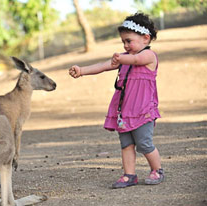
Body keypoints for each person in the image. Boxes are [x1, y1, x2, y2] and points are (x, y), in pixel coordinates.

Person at [69, 12, 164, 189]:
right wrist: (82, 70)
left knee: (144, 143)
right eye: (123, 42)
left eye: (129, 41)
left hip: (143, 110)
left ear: (145, 38)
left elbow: (136, 59)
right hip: (125, 110)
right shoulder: (124, 58)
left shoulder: (149, 56)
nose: (125, 45)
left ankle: (157, 170)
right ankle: (129, 175)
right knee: (126, 144)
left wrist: (121, 58)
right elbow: (103, 66)